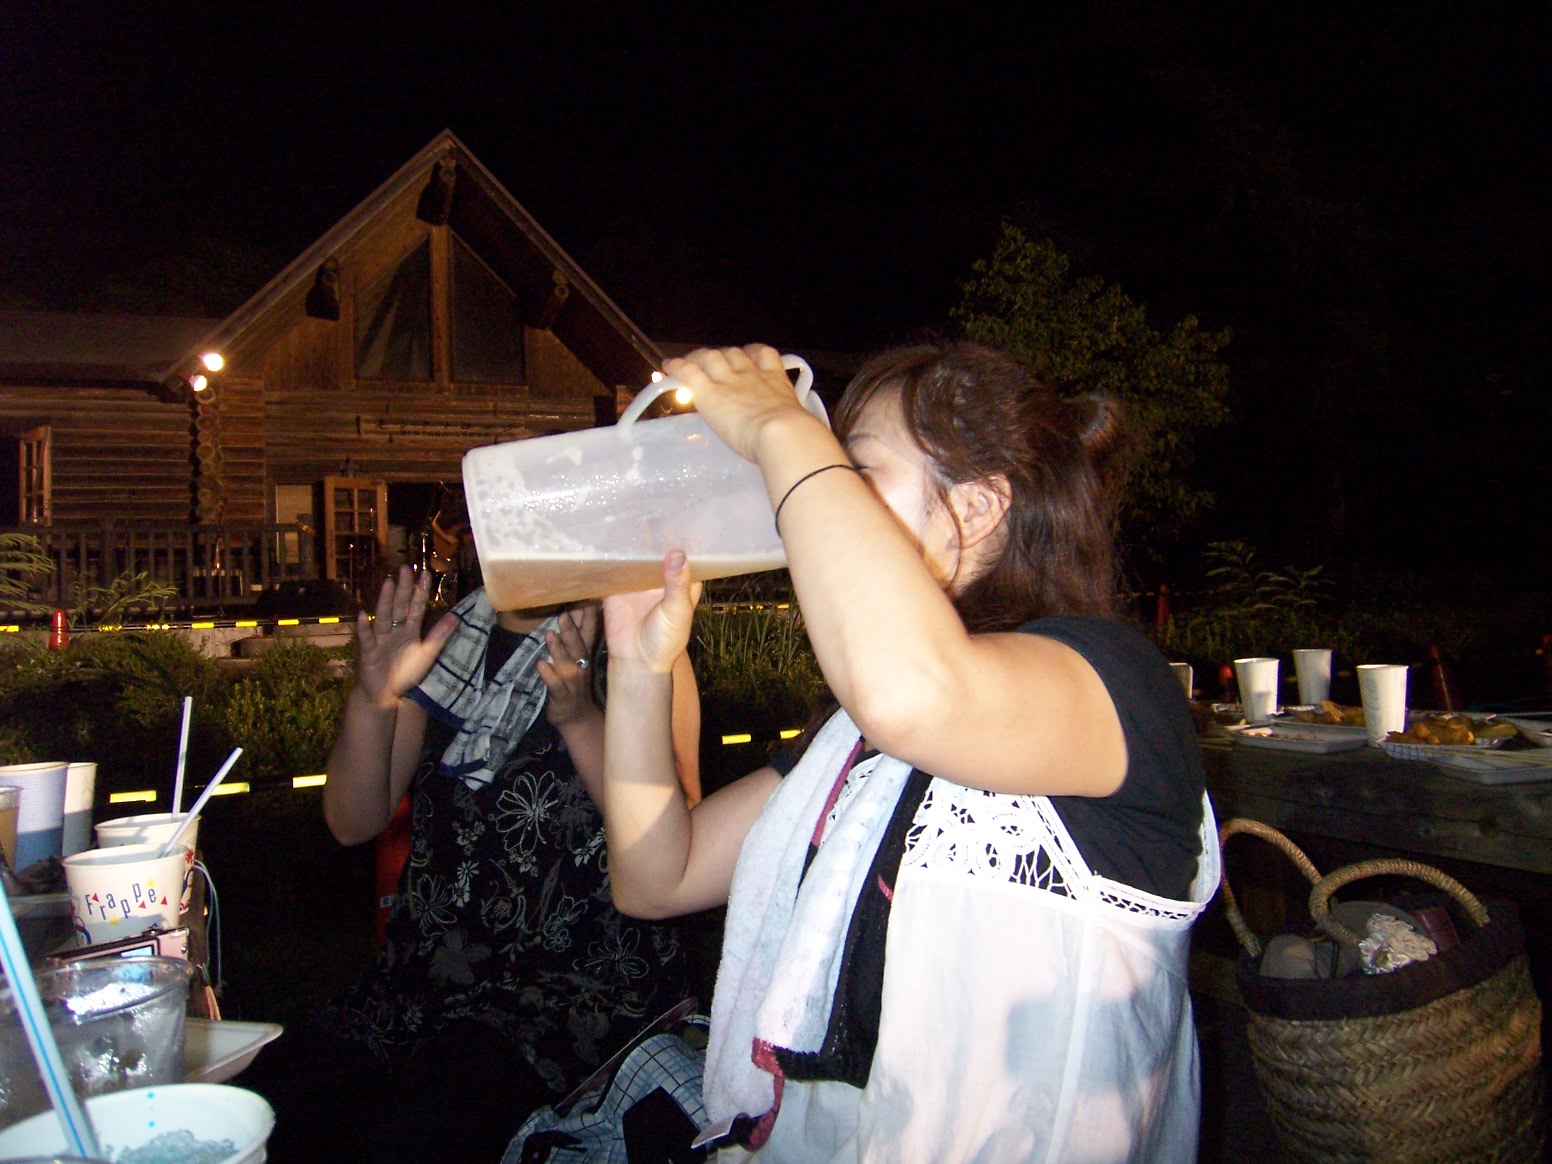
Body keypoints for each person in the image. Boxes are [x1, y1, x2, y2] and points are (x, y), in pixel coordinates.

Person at [598, 343, 1219, 1162]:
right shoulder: (859, 743)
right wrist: (640, 668)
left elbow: (912, 693)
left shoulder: (1112, 682)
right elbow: (658, 876)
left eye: (853, 472)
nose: (809, 494)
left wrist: (781, 426)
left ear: (979, 507)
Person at [243, 566, 702, 1163]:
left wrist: (580, 718)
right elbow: (352, 821)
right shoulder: (448, 646)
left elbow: (673, 844)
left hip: (575, 988)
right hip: (426, 974)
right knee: (268, 1111)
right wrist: (374, 697)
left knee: (414, 1133)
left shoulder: (634, 642)